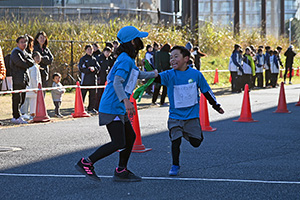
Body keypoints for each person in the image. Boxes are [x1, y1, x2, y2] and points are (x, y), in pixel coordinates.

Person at [75, 26, 158, 182]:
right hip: (113, 105)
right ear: (133, 41)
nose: (141, 41)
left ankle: (121, 170)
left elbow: (136, 74)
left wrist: (154, 74)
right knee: (119, 141)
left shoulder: (126, 59)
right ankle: (86, 162)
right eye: (138, 38)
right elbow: (117, 83)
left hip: (117, 105)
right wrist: (126, 101)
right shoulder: (125, 60)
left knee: (130, 136)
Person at [154, 46, 224, 176]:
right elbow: (156, 78)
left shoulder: (196, 75)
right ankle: (175, 165)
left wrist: (215, 105)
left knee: (196, 142)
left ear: (186, 59)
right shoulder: (169, 74)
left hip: (191, 116)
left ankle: (184, 132)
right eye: (171, 57)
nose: (172, 60)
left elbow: (206, 91)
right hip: (175, 116)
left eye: (176, 57)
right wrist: (148, 72)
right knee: (175, 141)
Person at [10, 35, 35, 124]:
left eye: (25, 42)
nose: (24, 44)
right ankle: (15, 117)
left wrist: (27, 61)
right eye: (21, 42)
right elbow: (20, 63)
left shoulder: (25, 52)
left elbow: (32, 62)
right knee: (17, 98)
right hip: (17, 78)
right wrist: (26, 62)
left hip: (24, 79)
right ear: (17, 43)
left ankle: (19, 115)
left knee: (22, 98)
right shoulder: (15, 52)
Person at [78, 44, 100, 114]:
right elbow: (81, 68)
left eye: (91, 49)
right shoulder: (83, 59)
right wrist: (89, 69)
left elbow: (98, 68)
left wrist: (94, 69)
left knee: (93, 95)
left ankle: (91, 108)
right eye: (88, 49)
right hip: (85, 81)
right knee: (83, 95)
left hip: (93, 80)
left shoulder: (94, 59)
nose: (90, 51)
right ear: (85, 50)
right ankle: (81, 108)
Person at [23, 51, 42, 120]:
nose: (38, 59)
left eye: (39, 57)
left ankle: (28, 114)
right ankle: (31, 115)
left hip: (29, 88)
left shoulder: (34, 66)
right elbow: (34, 78)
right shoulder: (34, 67)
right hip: (32, 88)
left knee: (29, 101)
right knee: (33, 102)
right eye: (36, 57)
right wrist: (35, 88)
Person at [20, 34, 34, 120]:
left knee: (28, 96)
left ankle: (26, 112)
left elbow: (31, 62)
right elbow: (24, 63)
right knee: (23, 96)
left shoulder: (29, 52)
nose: (26, 43)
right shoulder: (21, 52)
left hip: (30, 76)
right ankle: (23, 112)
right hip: (25, 74)